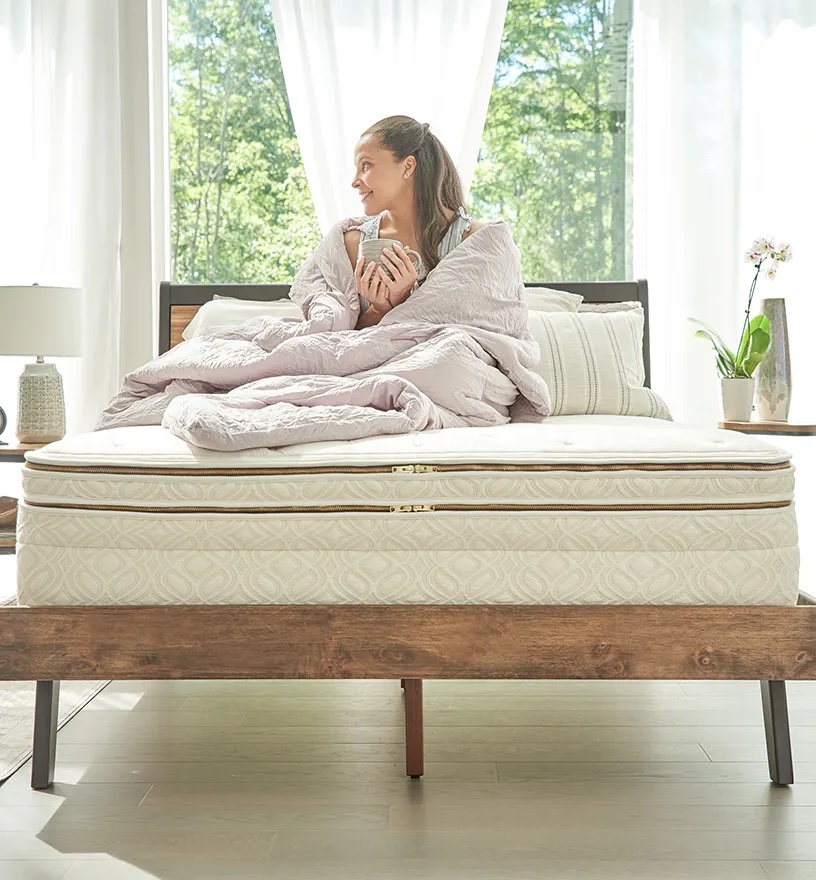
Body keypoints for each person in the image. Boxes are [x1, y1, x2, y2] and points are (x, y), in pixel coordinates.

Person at [346, 115, 485, 330]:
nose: (355, 181)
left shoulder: (473, 241)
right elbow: (336, 342)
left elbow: (484, 333)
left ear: (408, 166)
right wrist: (380, 309)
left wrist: (406, 301)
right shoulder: (352, 243)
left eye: (366, 165)